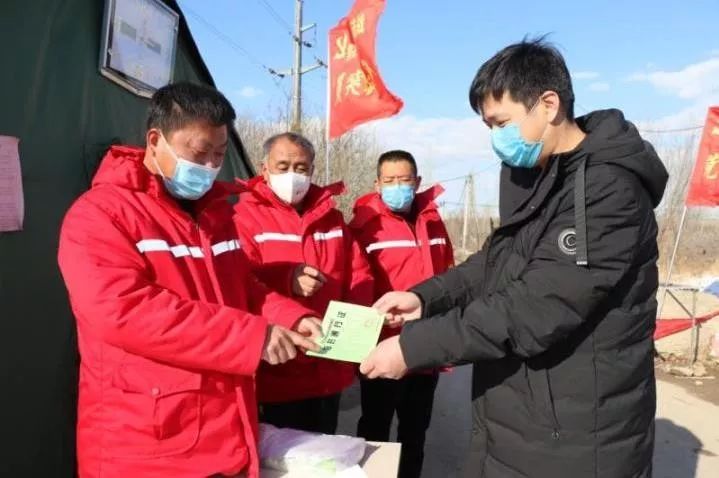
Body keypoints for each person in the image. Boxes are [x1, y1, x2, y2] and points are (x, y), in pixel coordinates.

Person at [361, 38, 668, 478]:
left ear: (548, 104)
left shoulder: (605, 191)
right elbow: (494, 262)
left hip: (574, 436)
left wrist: (413, 347)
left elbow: (534, 307)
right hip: (522, 417)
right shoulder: (540, 176)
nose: (495, 138)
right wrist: (424, 299)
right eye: (488, 126)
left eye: (500, 122)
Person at [58, 82, 320, 478]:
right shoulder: (101, 215)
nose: (210, 166)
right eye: (199, 153)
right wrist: (253, 338)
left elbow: (244, 289)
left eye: (218, 155)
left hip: (226, 430)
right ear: (155, 140)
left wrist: (291, 317)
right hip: (147, 443)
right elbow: (124, 311)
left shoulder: (216, 215)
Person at [233, 132, 374, 434]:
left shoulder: (332, 219)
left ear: (311, 170)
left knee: (324, 455)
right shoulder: (243, 218)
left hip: (328, 366)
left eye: (300, 168)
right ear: (264, 168)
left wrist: (351, 337)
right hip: (278, 370)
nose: (292, 175)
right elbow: (239, 280)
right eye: (282, 166)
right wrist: (285, 279)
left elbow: (359, 275)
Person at [349, 150, 454, 478]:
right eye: (390, 181)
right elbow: (354, 281)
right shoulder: (365, 226)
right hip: (380, 345)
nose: (398, 187)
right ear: (377, 184)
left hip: (424, 344)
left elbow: (447, 274)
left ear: (417, 182)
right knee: (375, 427)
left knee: (415, 431)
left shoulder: (433, 221)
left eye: (404, 180)